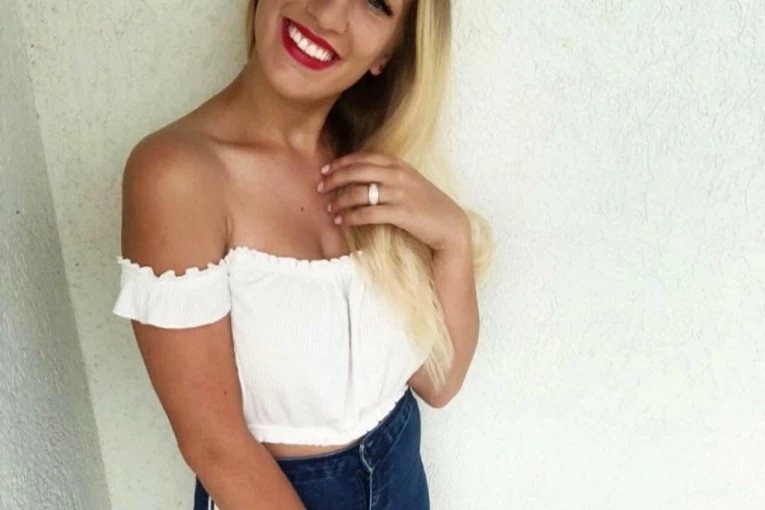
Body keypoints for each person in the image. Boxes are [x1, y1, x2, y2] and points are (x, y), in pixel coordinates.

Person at [111, 0, 494, 508]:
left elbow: (439, 383)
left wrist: (452, 238)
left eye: (376, 3)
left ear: (388, 53)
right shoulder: (176, 176)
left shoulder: (375, 165)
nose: (329, 13)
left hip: (403, 476)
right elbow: (215, 447)